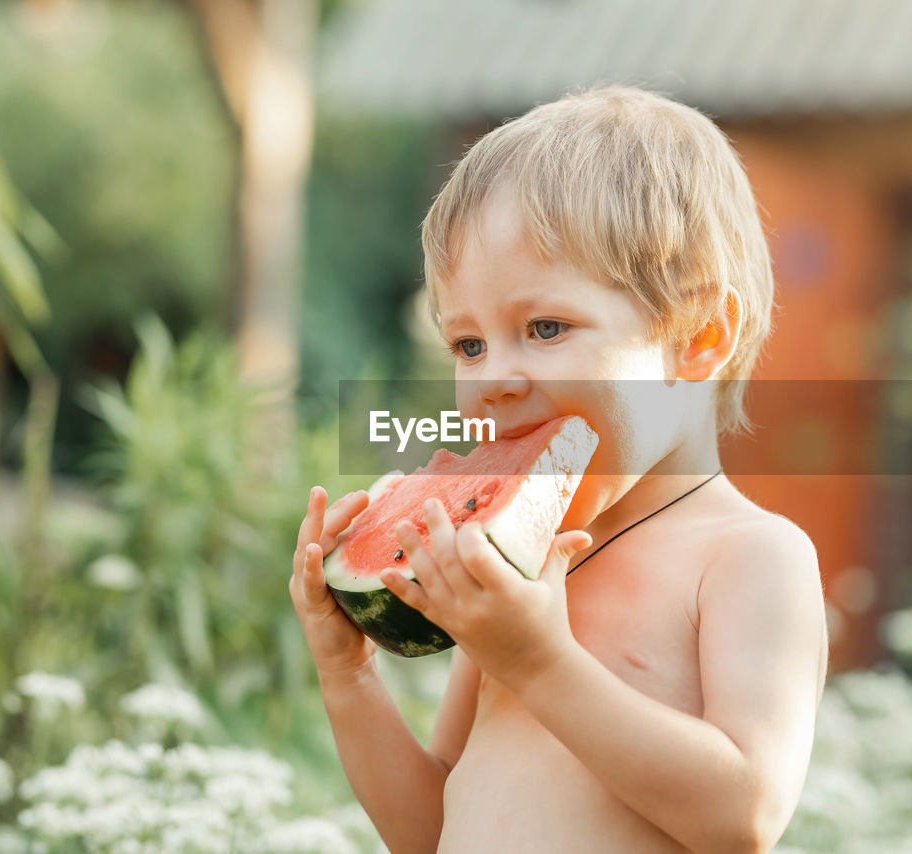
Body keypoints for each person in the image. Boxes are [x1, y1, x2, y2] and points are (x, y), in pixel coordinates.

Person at [290, 83, 828, 854]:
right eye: (468, 344)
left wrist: (540, 663)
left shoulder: (752, 557)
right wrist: (350, 679)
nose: (493, 378)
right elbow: (430, 832)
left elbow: (742, 814)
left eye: (545, 327)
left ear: (699, 337)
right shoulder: (517, 568)